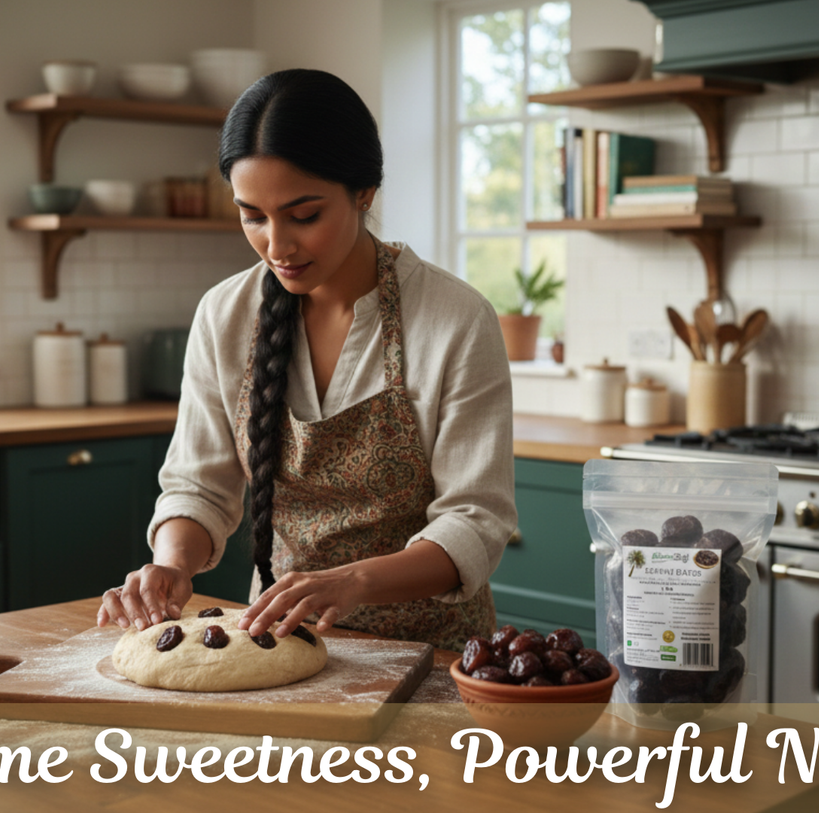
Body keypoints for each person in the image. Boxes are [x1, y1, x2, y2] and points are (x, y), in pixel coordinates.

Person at [96, 69, 515, 651]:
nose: (277, 245)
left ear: (364, 192)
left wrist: (354, 581)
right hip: (278, 644)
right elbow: (200, 486)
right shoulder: (226, 314)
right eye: (253, 215)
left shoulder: (454, 318)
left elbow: (476, 521)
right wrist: (171, 564)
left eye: (304, 214)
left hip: (433, 655)